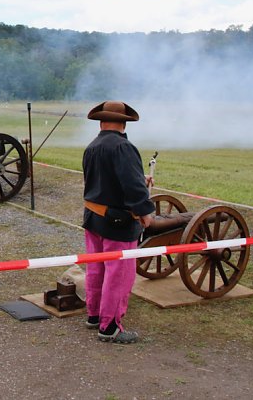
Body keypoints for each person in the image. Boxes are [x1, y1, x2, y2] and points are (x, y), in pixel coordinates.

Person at [81, 100, 154, 344]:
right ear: (124, 123)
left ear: (101, 122)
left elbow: (103, 179)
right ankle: (110, 326)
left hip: (93, 218)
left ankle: (94, 315)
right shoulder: (124, 148)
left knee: (96, 268)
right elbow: (133, 188)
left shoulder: (92, 146)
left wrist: (137, 177)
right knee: (118, 274)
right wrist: (146, 213)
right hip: (117, 223)